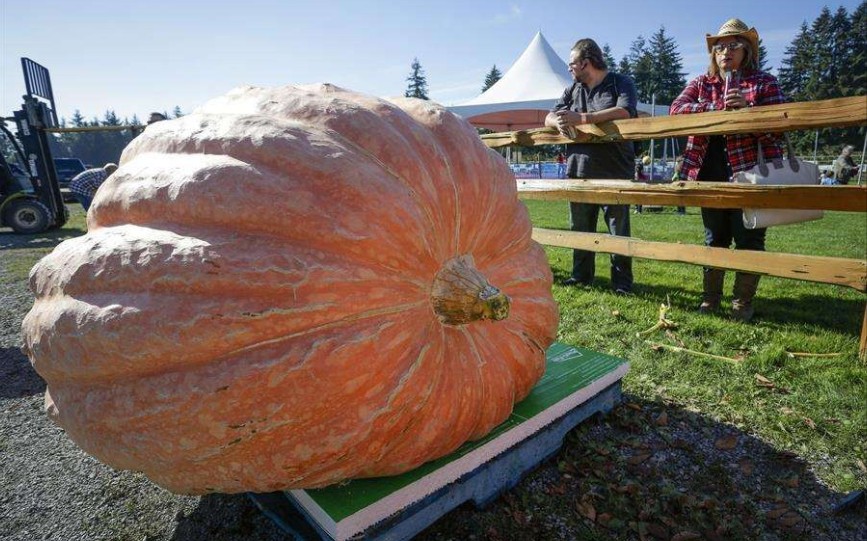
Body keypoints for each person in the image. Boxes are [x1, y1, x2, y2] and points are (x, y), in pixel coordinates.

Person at [670, 18, 786, 322]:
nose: (725, 52)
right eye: (720, 47)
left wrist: (747, 114)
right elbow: (676, 110)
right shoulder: (700, 84)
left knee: (749, 238)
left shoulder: (764, 83)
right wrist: (715, 109)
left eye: (733, 45)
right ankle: (711, 298)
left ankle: (741, 301)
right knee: (714, 236)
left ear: (746, 51)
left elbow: (778, 129)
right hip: (709, 173)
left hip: (752, 173)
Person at [546, 38, 637, 294]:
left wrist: (582, 119)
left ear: (586, 62)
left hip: (615, 171)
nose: (569, 69)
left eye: (572, 64)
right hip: (578, 170)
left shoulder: (620, 82)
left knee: (618, 231)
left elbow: (625, 111)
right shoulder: (572, 90)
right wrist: (558, 123)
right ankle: (581, 276)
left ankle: (622, 284)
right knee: (580, 228)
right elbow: (548, 115)